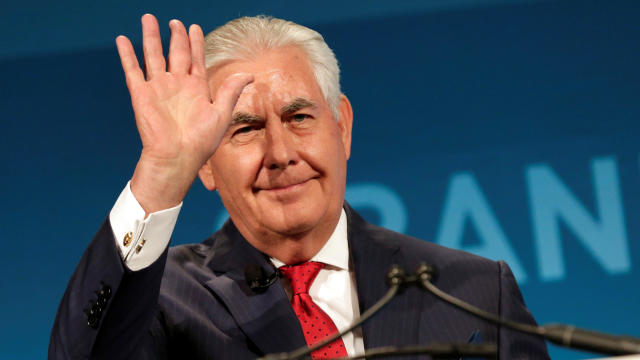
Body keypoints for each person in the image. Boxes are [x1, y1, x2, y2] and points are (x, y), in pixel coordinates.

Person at [49, 14, 550, 359]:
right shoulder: (163, 301)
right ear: (205, 164)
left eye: (299, 116)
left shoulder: (474, 290)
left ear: (343, 127)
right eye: (244, 128)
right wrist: (162, 170)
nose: (281, 153)